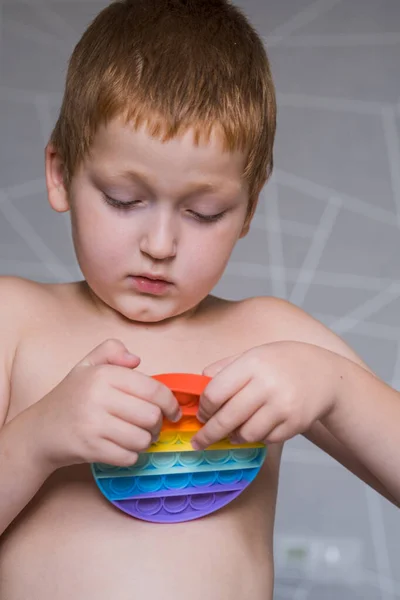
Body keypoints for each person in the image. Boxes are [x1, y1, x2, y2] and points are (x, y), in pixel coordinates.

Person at [0, 1, 398, 598]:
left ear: (249, 209)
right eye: (123, 199)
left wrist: (337, 387)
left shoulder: (271, 333)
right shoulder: (15, 321)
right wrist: (34, 441)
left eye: (204, 212)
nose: (160, 244)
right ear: (61, 173)